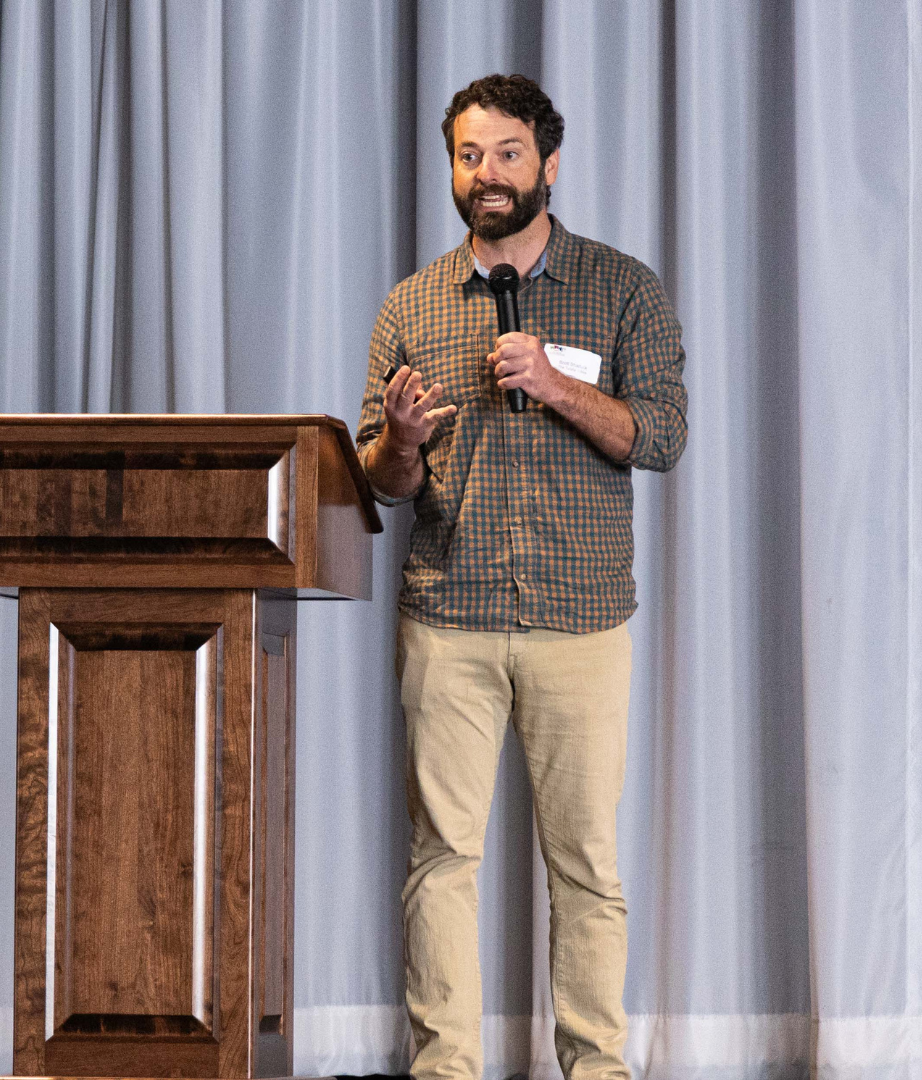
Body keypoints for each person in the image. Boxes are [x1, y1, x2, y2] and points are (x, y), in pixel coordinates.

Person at [355, 74, 688, 1080]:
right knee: (440, 862)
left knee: (585, 869)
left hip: (579, 621)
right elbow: (378, 475)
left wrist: (555, 384)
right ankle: (444, 1069)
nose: (485, 174)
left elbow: (662, 437)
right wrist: (400, 444)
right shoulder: (412, 304)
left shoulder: (622, 288)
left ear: (548, 163)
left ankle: (596, 1069)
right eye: (468, 154)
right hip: (447, 617)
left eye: (505, 153)